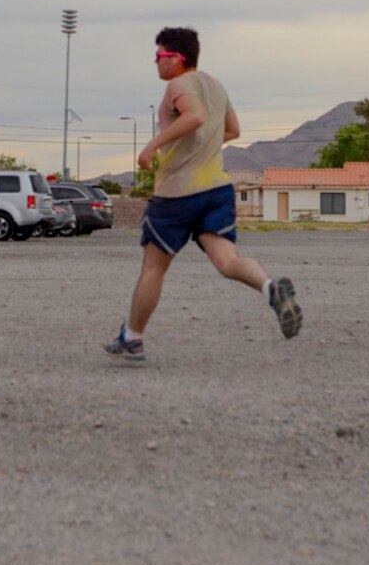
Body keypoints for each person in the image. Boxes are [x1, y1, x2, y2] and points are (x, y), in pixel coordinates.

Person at [105, 27, 301, 362]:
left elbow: (195, 117)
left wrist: (153, 146)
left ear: (177, 58)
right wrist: (199, 147)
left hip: (178, 193)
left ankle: (133, 339)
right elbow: (233, 130)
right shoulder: (217, 86)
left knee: (154, 267)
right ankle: (271, 288)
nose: (156, 63)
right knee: (227, 261)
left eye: (159, 56)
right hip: (217, 189)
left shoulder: (178, 85)